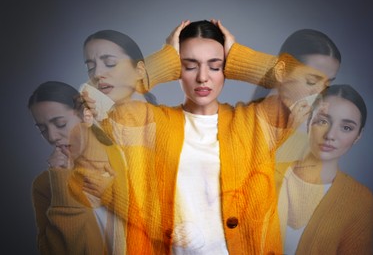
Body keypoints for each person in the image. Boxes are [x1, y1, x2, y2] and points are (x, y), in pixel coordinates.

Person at [80, 20, 320, 254]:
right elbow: (93, 96)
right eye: (189, 65)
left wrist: (237, 56)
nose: (203, 77)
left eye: (215, 66)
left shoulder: (256, 122)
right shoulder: (147, 122)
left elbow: (306, 82)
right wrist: (166, 58)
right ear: (177, 70)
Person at [29, 81, 128, 255]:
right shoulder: (46, 185)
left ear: (86, 116)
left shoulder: (126, 157)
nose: (52, 137)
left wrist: (113, 197)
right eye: (42, 129)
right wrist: (62, 188)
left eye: (60, 124)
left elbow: (169, 227)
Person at [275, 84, 373, 254]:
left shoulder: (360, 200)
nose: (330, 135)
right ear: (308, 122)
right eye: (322, 121)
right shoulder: (265, 174)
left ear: (358, 135)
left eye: (346, 128)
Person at [224, 28, 341, 162]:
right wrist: (236, 56)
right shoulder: (234, 125)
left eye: (327, 85)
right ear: (281, 71)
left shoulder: (314, 137)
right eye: (311, 81)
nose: (319, 93)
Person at [81, 29, 181, 121]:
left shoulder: (173, 121)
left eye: (110, 63)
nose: (97, 74)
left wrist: (169, 57)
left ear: (139, 69)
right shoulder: (93, 126)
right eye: (90, 67)